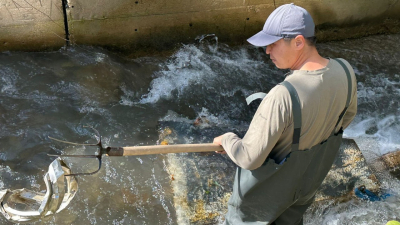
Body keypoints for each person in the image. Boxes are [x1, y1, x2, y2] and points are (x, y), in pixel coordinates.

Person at [213, 3, 357, 225]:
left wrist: (227, 139)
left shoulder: (283, 95)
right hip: (304, 191)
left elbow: (249, 157)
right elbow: (346, 119)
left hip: (259, 208)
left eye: (272, 44)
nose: (267, 51)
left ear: (298, 42)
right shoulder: (345, 71)